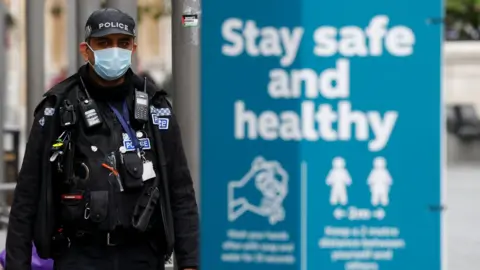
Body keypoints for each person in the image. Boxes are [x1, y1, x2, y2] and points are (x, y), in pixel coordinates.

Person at [5, 8, 199, 270]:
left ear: (133, 48)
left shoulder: (155, 104)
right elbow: (27, 194)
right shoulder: (58, 105)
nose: (115, 50)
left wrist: (190, 263)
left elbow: (180, 191)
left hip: (143, 255)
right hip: (79, 255)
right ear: (86, 50)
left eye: (123, 43)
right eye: (104, 43)